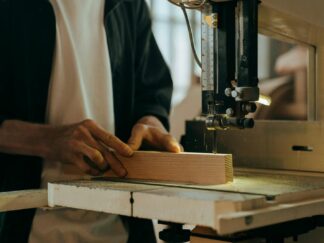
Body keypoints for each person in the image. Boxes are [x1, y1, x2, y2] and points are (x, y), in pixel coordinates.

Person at [0, 0, 181, 242]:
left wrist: (151, 124)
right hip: (25, 228)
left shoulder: (130, 4)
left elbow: (152, 91)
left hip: (123, 230)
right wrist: (46, 139)